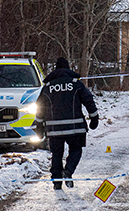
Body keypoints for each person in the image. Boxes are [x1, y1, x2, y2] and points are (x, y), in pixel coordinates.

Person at [36, 57, 99, 190]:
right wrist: (94, 117)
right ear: (68, 69)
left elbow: (40, 107)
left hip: (54, 129)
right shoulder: (76, 83)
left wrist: (39, 126)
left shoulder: (47, 87)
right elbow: (89, 100)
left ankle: (57, 182)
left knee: (57, 154)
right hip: (75, 128)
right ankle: (68, 171)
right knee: (76, 150)